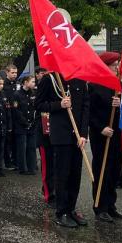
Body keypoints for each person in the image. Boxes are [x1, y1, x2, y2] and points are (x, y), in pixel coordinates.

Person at [36, 72, 90, 227]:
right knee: (62, 175)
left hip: (77, 136)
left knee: (75, 175)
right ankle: (61, 212)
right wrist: (58, 105)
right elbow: (38, 104)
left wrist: (83, 134)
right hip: (61, 135)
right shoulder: (50, 79)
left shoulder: (80, 79)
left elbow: (85, 107)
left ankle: (71, 209)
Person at [89, 52, 122, 223]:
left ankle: (111, 205)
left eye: (117, 65)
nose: (117, 68)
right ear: (105, 66)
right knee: (102, 170)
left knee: (114, 169)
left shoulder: (117, 85)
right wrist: (100, 128)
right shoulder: (94, 85)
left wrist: (120, 105)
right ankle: (100, 207)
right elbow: (89, 112)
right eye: (114, 65)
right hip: (101, 135)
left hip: (116, 133)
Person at [12, 73, 37, 176]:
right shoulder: (17, 94)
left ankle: (31, 167)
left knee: (31, 147)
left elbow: (35, 108)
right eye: (32, 81)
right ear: (25, 82)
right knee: (22, 147)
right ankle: (23, 168)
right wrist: (25, 122)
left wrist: (33, 121)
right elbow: (16, 111)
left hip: (32, 124)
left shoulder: (34, 93)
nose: (34, 83)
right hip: (21, 125)